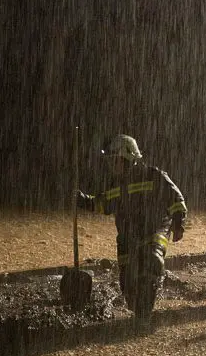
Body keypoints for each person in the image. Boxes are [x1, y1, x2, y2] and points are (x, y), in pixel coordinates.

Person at [77, 134, 187, 327]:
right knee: (128, 283)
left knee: (152, 260)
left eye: (116, 160)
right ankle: (139, 311)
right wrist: (81, 199)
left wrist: (178, 223)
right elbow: (102, 204)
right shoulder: (115, 184)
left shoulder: (154, 176)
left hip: (155, 231)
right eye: (110, 161)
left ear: (129, 157)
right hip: (127, 238)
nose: (112, 165)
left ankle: (148, 304)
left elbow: (176, 198)